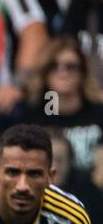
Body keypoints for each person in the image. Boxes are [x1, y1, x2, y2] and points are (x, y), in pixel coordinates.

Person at [30, 37, 103, 181]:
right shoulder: (33, 118)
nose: (62, 72)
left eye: (71, 66)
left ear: (83, 73)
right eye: (54, 66)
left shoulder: (99, 113)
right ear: (45, 72)